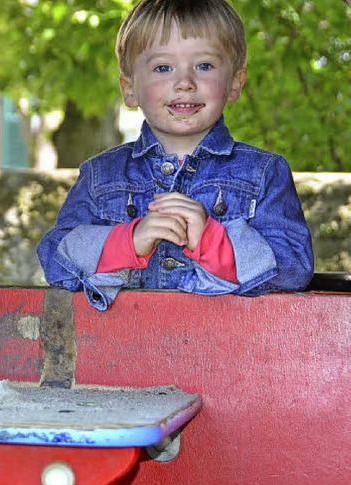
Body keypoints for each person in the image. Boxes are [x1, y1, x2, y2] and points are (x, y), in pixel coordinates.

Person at [37, 0, 314, 311]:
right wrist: (126, 243)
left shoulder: (265, 173)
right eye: (163, 68)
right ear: (129, 89)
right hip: (125, 350)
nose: (184, 83)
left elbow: (293, 267)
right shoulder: (101, 175)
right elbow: (55, 260)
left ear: (235, 83)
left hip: (226, 350)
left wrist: (214, 243)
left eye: (204, 66)